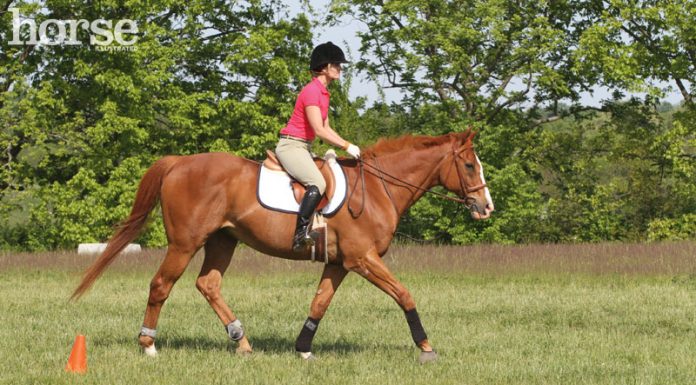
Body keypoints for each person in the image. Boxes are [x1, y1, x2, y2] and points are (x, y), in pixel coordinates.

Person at [276, 41, 361, 252]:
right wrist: (345, 145)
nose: (340, 69)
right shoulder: (312, 91)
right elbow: (319, 130)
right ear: (324, 67)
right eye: (336, 65)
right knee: (318, 183)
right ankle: (300, 235)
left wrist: (348, 145)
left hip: (303, 147)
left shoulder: (323, 93)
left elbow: (326, 127)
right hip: (291, 146)